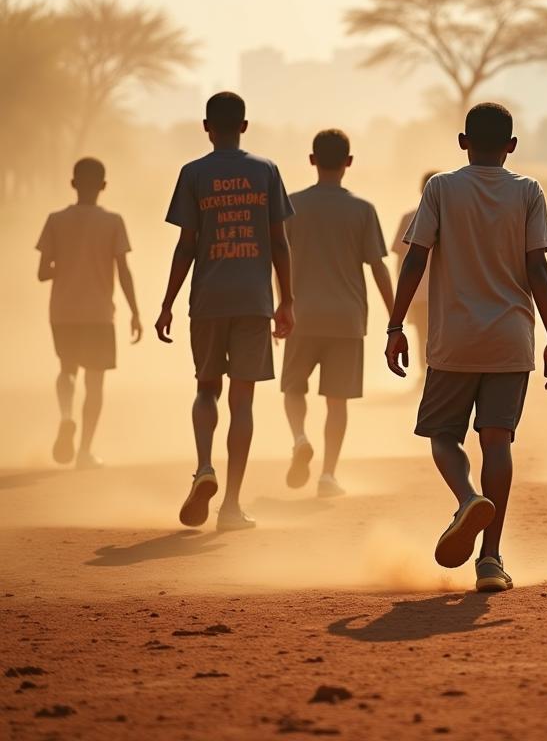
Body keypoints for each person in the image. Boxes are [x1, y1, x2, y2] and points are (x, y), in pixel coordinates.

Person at [385, 102, 547, 593]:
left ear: (463, 142)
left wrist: (395, 325)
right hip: (511, 340)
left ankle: (467, 500)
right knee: (497, 442)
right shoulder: (528, 191)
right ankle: (490, 560)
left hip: (453, 341)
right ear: (511, 146)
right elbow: (538, 269)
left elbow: (415, 260)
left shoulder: (440, 187)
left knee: (443, 435)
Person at [156, 92, 294, 531]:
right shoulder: (265, 170)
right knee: (243, 400)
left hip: (208, 301)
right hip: (254, 302)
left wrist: (166, 304)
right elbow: (279, 242)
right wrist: (286, 300)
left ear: (206, 127)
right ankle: (231, 506)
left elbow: (186, 247)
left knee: (206, 388)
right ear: (245, 126)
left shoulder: (193, 173)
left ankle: (203, 468)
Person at [281, 129, 394, 497]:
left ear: (312, 161)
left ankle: (299, 438)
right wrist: (395, 318)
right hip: (346, 319)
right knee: (337, 400)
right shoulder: (362, 210)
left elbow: (277, 261)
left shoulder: (291, 206)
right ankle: (328, 476)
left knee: (294, 389)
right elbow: (378, 267)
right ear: (349, 163)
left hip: (302, 314)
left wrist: (278, 306)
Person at [36, 157, 142, 469]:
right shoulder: (113, 222)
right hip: (99, 313)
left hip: (63, 311)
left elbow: (42, 272)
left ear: (72, 184)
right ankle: (84, 452)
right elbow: (123, 271)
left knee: (67, 368)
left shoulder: (55, 220)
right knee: (95, 382)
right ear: (104, 186)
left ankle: (66, 417)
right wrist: (135, 312)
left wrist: (67, 266)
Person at [391, 170, 439, 377]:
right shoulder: (456, 218)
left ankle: (426, 372)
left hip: (417, 290)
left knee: (423, 334)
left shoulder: (409, 217)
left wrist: (401, 287)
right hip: (442, 291)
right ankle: (431, 371)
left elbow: (401, 259)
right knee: (436, 333)